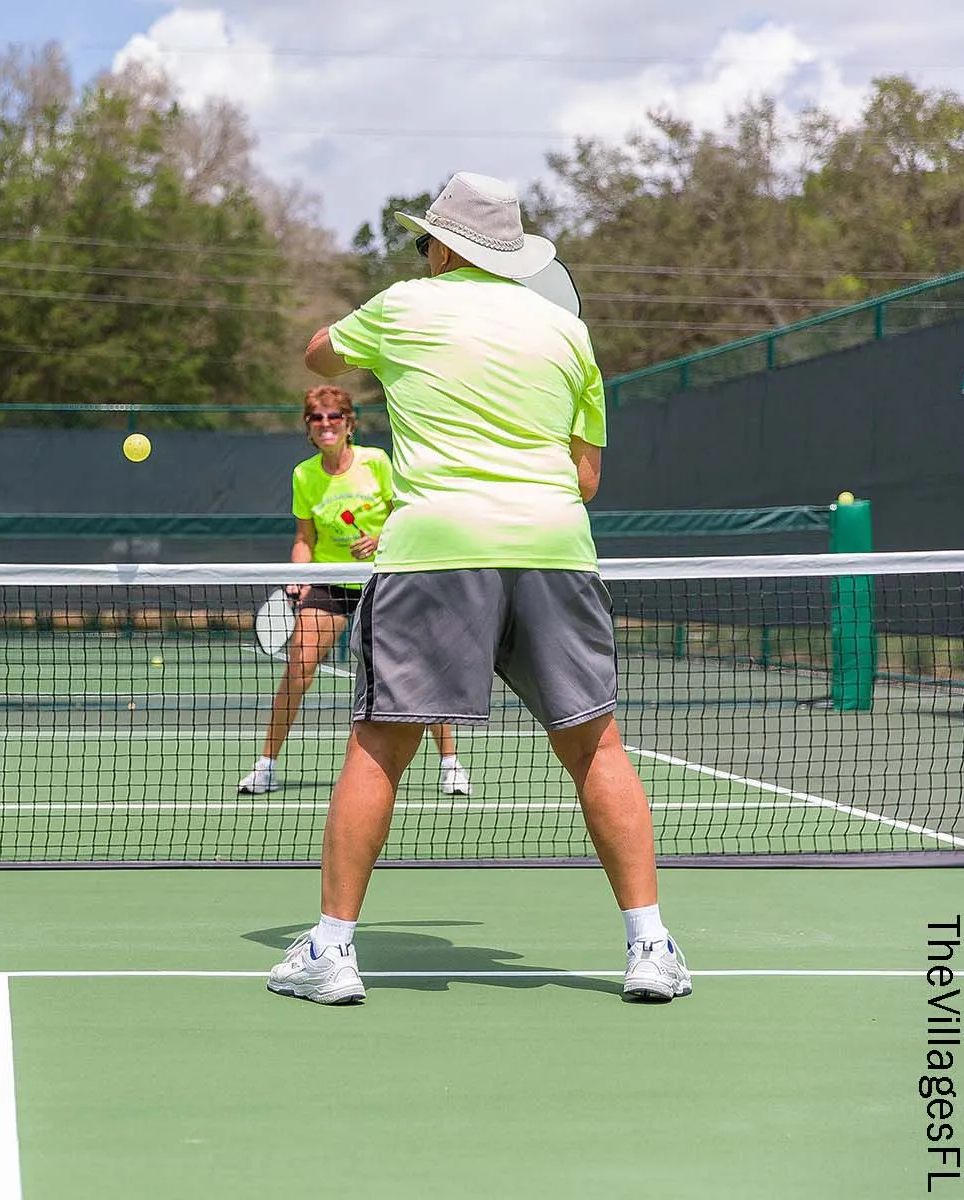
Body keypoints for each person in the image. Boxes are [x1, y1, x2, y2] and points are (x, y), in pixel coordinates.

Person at [267, 172, 690, 1006]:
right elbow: (586, 475)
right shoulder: (569, 335)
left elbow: (318, 353)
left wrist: (381, 346)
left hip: (437, 550)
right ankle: (651, 946)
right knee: (597, 746)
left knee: (381, 744)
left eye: (427, 241)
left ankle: (332, 952)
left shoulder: (402, 307)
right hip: (554, 549)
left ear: (448, 246)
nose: (422, 253)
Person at [238, 384, 470, 798]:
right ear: (308, 429)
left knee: (419, 670)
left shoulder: (376, 462)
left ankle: (450, 765)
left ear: (350, 425)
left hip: (385, 576)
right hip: (331, 582)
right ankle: (266, 766)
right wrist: (298, 573)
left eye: (334, 417)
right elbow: (304, 537)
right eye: (316, 418)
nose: (325, 424)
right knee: (299, 665)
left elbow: (408, 513)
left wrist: (381, 538)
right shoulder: (304, 475)